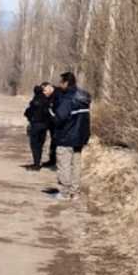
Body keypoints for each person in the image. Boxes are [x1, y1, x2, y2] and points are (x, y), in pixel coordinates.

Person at [51, 72, 92, 201]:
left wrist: (51, 113)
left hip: (66, 137)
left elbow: (60, 118)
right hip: (80, 137)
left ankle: (64, 192)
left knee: (64, 165)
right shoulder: (83, 97)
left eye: (61, 82)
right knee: (76, 166)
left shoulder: (68, 98)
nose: (59, 84)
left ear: (66, 83)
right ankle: (75, 192)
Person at [24, 84, 54, 170]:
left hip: (36, 125)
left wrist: (30, 118)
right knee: (40, 145)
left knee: (34, 145)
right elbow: (49, 114)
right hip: (44, 126)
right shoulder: (47, 101)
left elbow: (27, 112)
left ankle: (36, 164)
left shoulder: (34, 101)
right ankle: (38, 162)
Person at [40, 82, 58, 168]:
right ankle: (52, 160)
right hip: (51, 123)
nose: (44, 92)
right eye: (43, 91)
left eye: (45, 90)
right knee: (53, 141)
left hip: (58, 122)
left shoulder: (58, 94)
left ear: (50, 87)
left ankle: (56, 161)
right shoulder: (48, 97)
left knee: (57, 141)